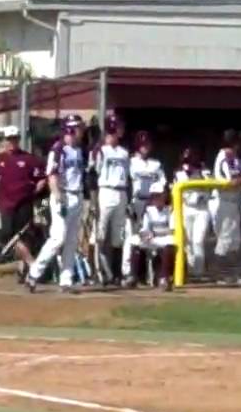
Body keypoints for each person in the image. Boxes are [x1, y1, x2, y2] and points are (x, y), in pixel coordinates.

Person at [26, 116, 86, 293]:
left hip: (77, 195)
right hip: (63, 195)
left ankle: (65, 280)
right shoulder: (59, 149)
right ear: (70, 130)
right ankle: (34, 273)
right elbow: (52, 175)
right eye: (77, 128)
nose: (81, 131)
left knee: (71, 240)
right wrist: (58, 196)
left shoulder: (79, 149)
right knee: (57, 238)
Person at [0, 127, 46, 282]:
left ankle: (23, 268)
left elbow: (42, 177)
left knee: (24, 236)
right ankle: (33, 264)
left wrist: (35, 192)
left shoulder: (29, 159)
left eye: (14, 139)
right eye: (9, 139)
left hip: (24, 203)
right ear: (4, 141)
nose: (12, 142)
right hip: (6, 204)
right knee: (9, 235)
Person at [122, 131, 165, 286]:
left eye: (147, 144)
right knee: (131, 237)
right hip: (136, 202)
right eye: (142, 145)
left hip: (151, 203)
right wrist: (128, 204)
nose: (145, 147)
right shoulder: (130, 162)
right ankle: (128, 274)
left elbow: (163, 183)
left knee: (151, 238)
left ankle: (151, 276)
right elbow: (125, 183)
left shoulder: (156, 164)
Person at [90, 119, 130, 285]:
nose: (121, 130)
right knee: (99, 233)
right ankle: (96, 272)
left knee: (117, 236)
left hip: (121, 192)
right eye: (118, 127)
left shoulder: (124, 152)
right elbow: (92, 175)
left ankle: (114, 273)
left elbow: (127, 176)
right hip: (105, 191)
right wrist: (93, 200)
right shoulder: (100, 150)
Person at [211, 130, 241, 285]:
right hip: (224, 202)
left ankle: (233, 275)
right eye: (238, 142)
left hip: (233, 203)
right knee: (225, 240)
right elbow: (232, 181)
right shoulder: (225, 157)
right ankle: (219, 275)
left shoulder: (233, 158)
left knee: (234, 241)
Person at [129, 183, 178, 292]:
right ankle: (134, 276)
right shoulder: (148, 210)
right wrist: (144, 235)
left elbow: (172, 230)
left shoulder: (171, 210)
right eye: (154, 196)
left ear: (164, 195)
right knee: (135, 241)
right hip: (152, 238)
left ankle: (164, 278)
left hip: (165, 237)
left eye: (159, 195)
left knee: (171, 242)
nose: (156, 198)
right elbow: (144, 228)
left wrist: (155, 234)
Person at [174, 149, 212, 280]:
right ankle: (190, 272)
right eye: (186, 161)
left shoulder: (205, 172)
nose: (189, 164)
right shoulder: (179, 173)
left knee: (198, 240)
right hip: (187, 208)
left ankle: (198, 272)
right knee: (188, 242)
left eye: (191, 161)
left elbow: (211, 188)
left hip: (202, 209)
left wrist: (199, 172)